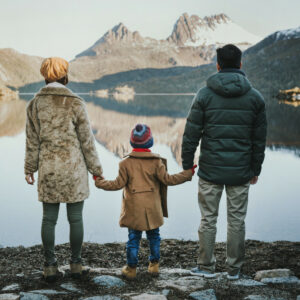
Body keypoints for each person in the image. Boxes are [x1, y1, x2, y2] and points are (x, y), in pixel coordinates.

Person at [181, 44, 267, 280]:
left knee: (208, 219)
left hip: (210, 170)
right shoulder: (255, 98)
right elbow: (259, 140)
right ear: (240, 65)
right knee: (236, 220)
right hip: (241, 172)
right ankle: (234, 270)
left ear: (217, 65)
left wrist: (187, 164)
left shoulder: (204, 95)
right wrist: (255, 169)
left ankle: (206, 267)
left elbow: (191, 134)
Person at [24, 57, 103, 281]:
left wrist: (29, 168)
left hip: (48, 168)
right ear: (64, 74)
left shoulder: (34, 103)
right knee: (75, 217)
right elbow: (87, 140)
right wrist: (96, 169)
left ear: (45, 75)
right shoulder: (75, 102)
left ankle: (50, 266)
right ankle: (76, 265)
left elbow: (32, 141)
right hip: (74, 168)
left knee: (49, 219)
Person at [94, 124, 196, 279]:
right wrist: (187, 173)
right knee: (154, 237)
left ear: (132, 142)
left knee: (133, 239)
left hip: (134, 210)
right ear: (150, 142)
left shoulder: (125, 163)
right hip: (153, 209)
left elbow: (116, 184)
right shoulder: (156, 162)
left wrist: (99, 181)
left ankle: (131, 269)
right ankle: (154, 266)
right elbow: (169, 180)